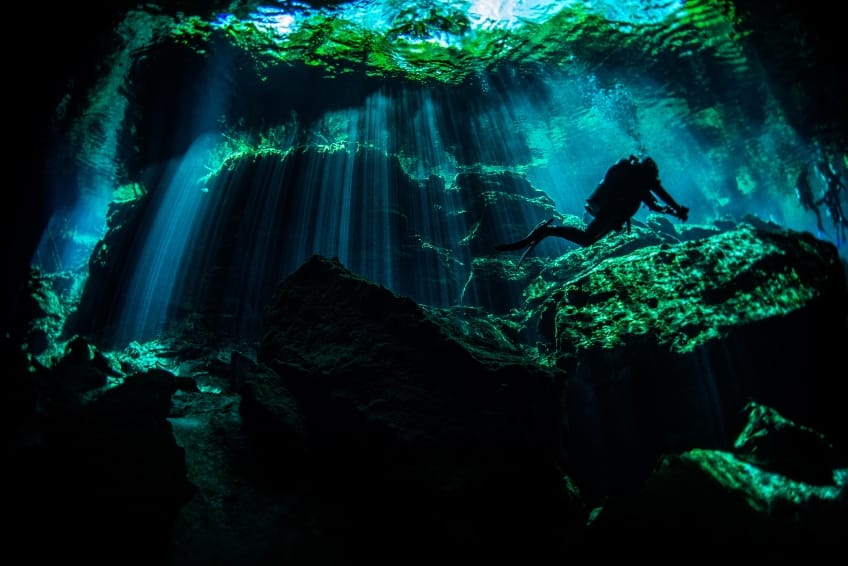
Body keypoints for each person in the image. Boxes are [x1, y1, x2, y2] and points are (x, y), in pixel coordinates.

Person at [495, 155, 689, 265]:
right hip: (610, 213)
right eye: (654, 178)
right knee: (587, 239)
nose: (656, 181)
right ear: (649, 173)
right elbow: (661, 195)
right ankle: (547, 231)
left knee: (587, 239)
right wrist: (678, 209)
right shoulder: (641, 181)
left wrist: (673, 212)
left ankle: (546, 231)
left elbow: (655, 204)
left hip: (609, 212)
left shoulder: (637, 184)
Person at [796, 164, 824, 233]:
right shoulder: (801, 179)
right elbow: (801, 191)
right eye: (805, 170)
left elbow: (802, 190)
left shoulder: (802, 179)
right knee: (816, 210)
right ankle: (819, 226)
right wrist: (803, 201)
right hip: (806, 198)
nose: (807, 172)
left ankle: (819, 225)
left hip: (806, 197)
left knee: (816, 210)